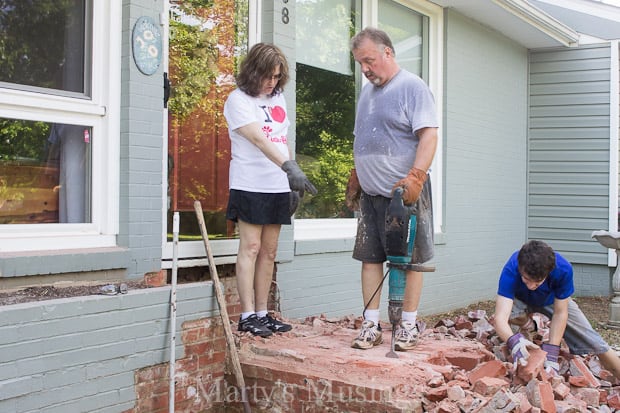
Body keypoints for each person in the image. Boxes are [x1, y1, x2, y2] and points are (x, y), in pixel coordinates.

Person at [346, 27, 439, 351]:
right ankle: (370, 324)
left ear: (388, 53)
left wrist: (416, 176)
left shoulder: (412, 87)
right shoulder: (367, 93)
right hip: (371, 196)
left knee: (411, 261)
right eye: (360, 63)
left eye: (369, 60)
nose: (365, 69)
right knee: (370, 259)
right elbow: (365, 137)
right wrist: (357, 172)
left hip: (405, 195)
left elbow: (429, 135)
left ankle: (409, 327)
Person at [223, 43, 317, 337]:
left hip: (276, 183)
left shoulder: (278, 98)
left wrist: (289, 181)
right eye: (267, 76)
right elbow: (260, 141)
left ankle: (263, 313)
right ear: (253, 71)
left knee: (270, 250)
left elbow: (279, 138)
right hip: (249, 182)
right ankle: (247, 315)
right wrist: (291, 167)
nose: (271, 83)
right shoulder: (237, 100)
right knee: (250, 247)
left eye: (277, 77)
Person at [495, 240, 620, 378]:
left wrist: (552, 354)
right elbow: (500, 318)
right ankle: (529, 325)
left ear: (548, 273)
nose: (531, 285)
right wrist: (514, 342)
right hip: (520, 300)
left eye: (537, 282)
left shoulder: (563, 269)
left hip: (551, 301)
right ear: (520, 269)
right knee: (509, 315)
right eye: (526, 279)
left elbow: (560, 313)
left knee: (595, 342)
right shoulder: (512, 267)